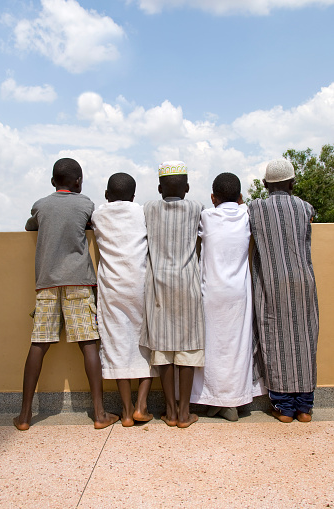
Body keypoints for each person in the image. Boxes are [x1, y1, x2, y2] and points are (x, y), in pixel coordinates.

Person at [13, 158, 119, 431]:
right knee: (88, 344)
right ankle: (99, 414)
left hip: (47, 283)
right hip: (79, 283)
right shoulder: (85, 204)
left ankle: (25, 416)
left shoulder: (41, 205)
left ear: (52, 182)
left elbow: (30, 225)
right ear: (79, 181)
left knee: (39, 344)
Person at [249, 159, 319, 423]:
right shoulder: (304, 207)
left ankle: (284, 407)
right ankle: (304, 406)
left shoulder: (256, 207)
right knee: (305, 338)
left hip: (271, 283)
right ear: (292, 183)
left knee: (274, 338)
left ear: (265, 184)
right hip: (303, 283)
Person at [191, 173, 265, 421]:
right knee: (237, 346)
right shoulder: (246, 214)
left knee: (212, 345)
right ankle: (233, 400)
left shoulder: (207, 216)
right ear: (240, 196)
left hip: (211, 291)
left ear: (213, 197)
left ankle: (214, 399)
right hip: (239, 293)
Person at [140, 161, 205, 428]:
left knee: (164, 349)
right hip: (188, 287)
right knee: (188, 348)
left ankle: (169, 410)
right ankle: (184, 412)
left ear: (159, 188)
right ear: (187, 188)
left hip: (158, 286)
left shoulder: (149, 208)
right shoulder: (196, 208)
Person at [91, 173, 156, 427]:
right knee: (147, 343)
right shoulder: (142, 212)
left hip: (112, 289)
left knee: (117, 344)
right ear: (133, 196)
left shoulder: (99, 214)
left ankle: (126, 412)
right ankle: (142, 405)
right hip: (140, 285)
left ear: (107, 195)